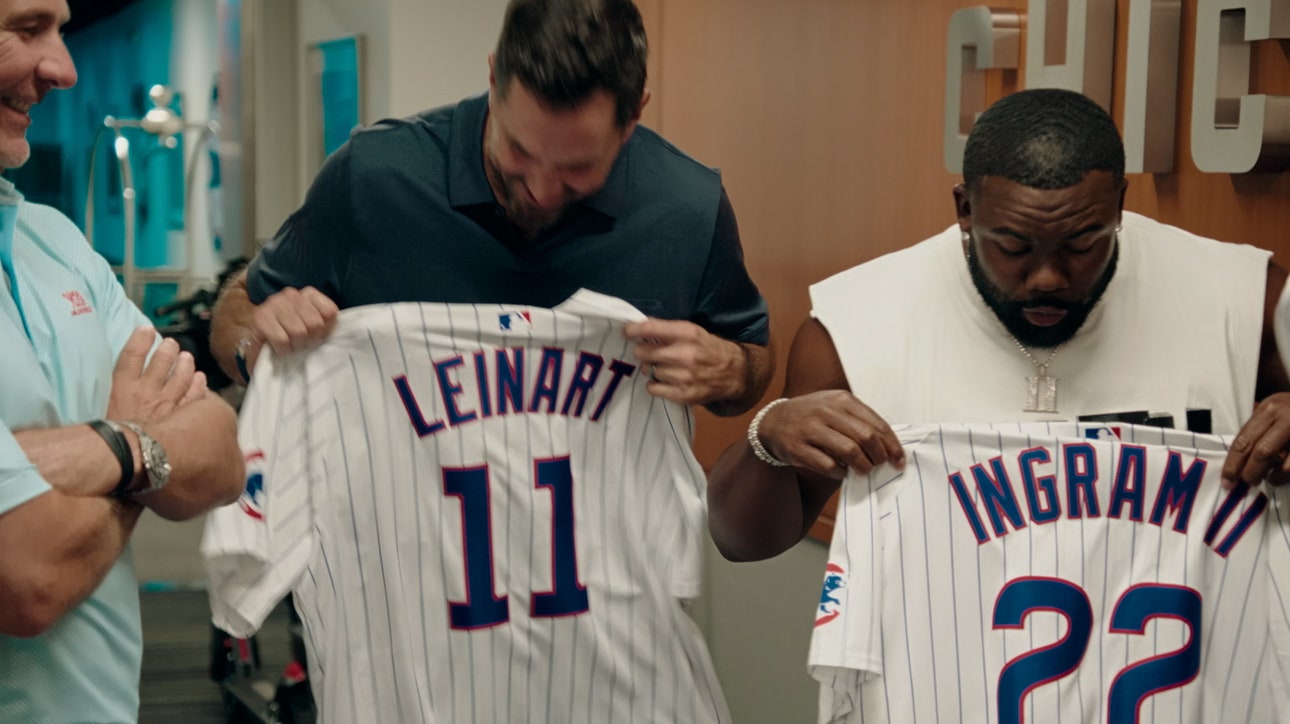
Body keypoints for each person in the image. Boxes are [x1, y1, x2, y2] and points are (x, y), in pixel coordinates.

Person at [206, 0, 771, 720]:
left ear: (634, 119)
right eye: (518, 154)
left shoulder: (685, 208)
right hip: (410, 676)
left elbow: (753, 364)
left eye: (575, 170)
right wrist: (262, 342)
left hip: (608, 684)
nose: (539, 189)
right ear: (494, 78)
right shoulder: (376, 180)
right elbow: (236, 313)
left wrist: (731, 370)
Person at [706, 88, 1290, 721]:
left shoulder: (1245, 301)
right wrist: (769, 435)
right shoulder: (858, 325)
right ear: (964, 208)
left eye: (1083, 242)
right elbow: (742, 542)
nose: (1048, 277)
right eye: (1012, 246)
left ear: (1119, 205)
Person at [0, 1, 246, 722]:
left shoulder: (56, 242)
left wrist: (113, 448)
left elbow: (222, 453)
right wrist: (143, 451)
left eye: (61, 30)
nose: (64, 69)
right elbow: (28, 577)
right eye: (26, 28)